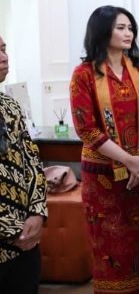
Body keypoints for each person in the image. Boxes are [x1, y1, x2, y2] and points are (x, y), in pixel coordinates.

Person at [69, 6, 139, 294]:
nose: (128, 33)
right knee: (110, 247)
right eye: (120, 27)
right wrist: (128, 161)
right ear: (102, 31)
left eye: (130, 28)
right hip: (104, 178)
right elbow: (86, 128)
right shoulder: (84, 74)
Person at [0, 36, 47, 294]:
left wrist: (37, 213)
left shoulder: (10, 106)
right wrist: (13, 229)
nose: (4, 58)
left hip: (24, 245)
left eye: (4, 49)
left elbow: (32, 162)